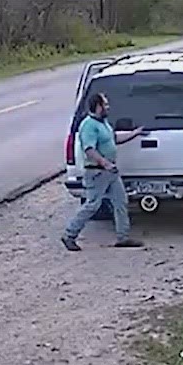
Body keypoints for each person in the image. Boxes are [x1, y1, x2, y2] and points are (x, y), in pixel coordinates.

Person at [62, 91, 146, 251]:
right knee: (92, 205)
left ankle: (123, 237)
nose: (108, 107)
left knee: (120, 202)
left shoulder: (103, 123)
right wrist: (104, 163)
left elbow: (114, 139)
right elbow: (89, 149)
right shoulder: (89, 125)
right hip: (97, 172)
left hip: (110, 172)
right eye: (105, 104)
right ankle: (69, 235)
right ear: (98, 106)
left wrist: (135, 133)